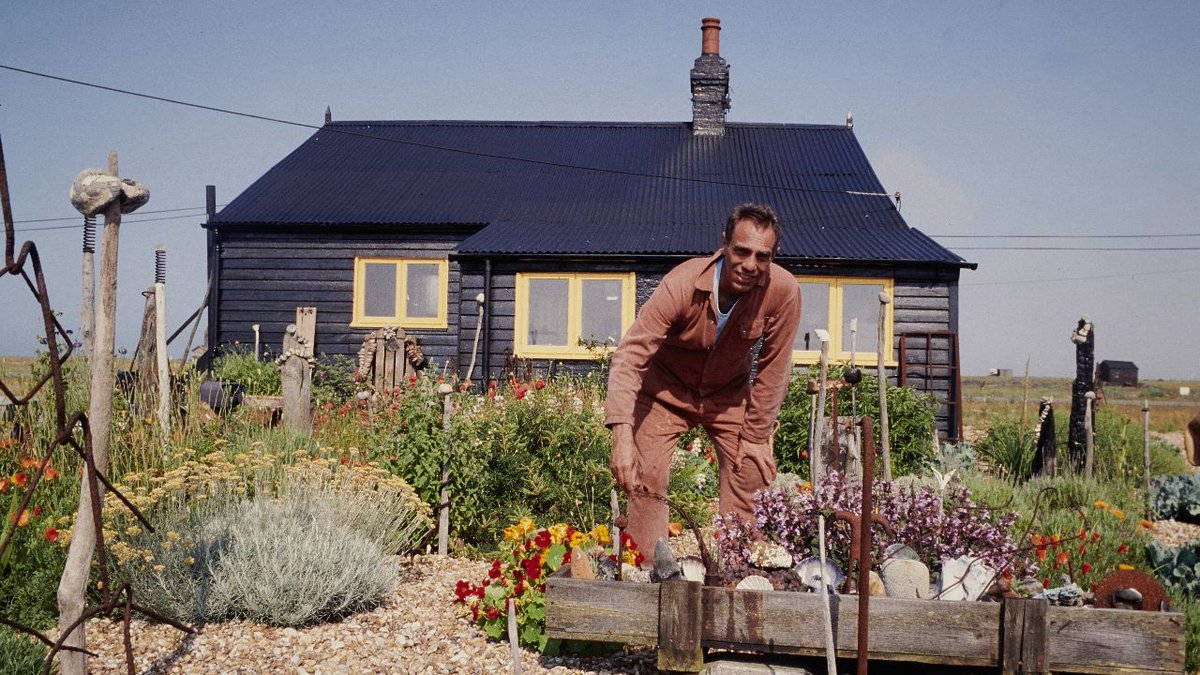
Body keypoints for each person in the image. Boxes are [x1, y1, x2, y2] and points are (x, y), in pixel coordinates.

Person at [605, 203, 802, 556]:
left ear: (773, 257)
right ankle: (650, 572)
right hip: (664, 391)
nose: (750, 265)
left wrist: (756, 438)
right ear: (724, 243)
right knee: (644, 476)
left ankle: (738, 570)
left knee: (751, 468)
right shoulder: (682, 283)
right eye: (741, 251)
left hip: (727, 395)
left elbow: (774, 369)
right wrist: (621, 435)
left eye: (762, 256)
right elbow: (630, 356)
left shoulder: (783, 292)